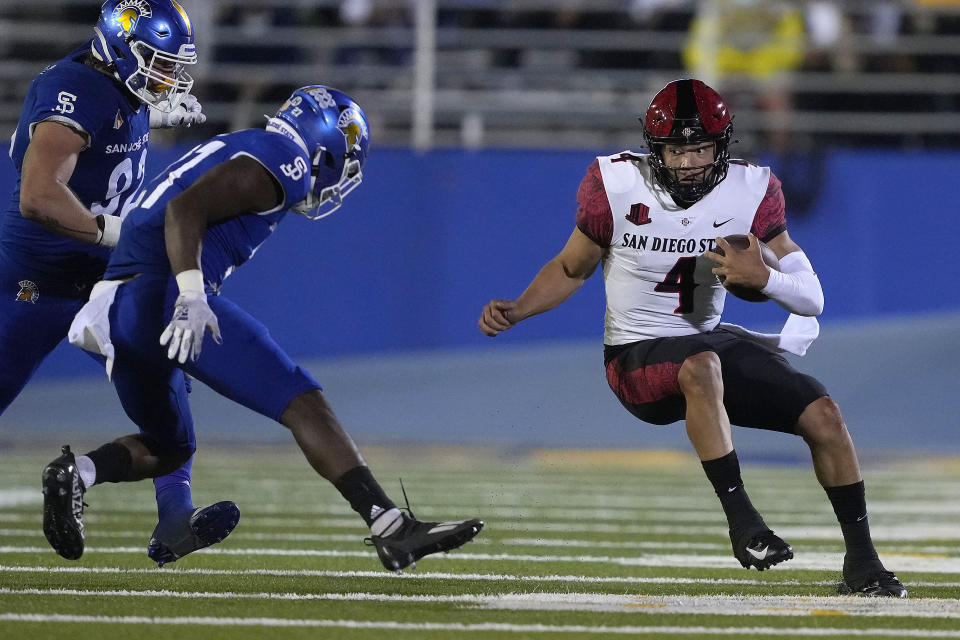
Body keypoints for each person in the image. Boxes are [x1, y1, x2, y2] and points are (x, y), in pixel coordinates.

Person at [478, 78, 906, 598]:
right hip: (635, 356)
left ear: (722, 146)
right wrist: (520, 308)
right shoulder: (614, 183)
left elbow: (812, 298)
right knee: (701, 364)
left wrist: (766, 280)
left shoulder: (752, 191)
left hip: (709, 342)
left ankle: (864, 565)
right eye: (675, 149)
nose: (687, 162)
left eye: (699, 147)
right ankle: (744, 523)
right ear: (654, 149)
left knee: (824, 414)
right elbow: (572, 268)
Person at [43, 85, 484, 573]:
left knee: (171, 447)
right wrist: (190, 294)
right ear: (326, 147)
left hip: (116, 307)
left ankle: (78, 473)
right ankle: (390, 527)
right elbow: (183, 211)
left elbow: (157, 216)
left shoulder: (248, 144)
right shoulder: (286, 160)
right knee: (298, 397)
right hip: (160, 295)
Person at [0, 0, 239, 566]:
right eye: (157, 63)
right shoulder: (75, 89)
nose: (169, 77)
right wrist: (109, 231)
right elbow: (38, 195)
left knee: (170, 387)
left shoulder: (122, 92)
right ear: (118, 48)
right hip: (40, 280)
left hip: (105, 277)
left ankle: (175, 518)